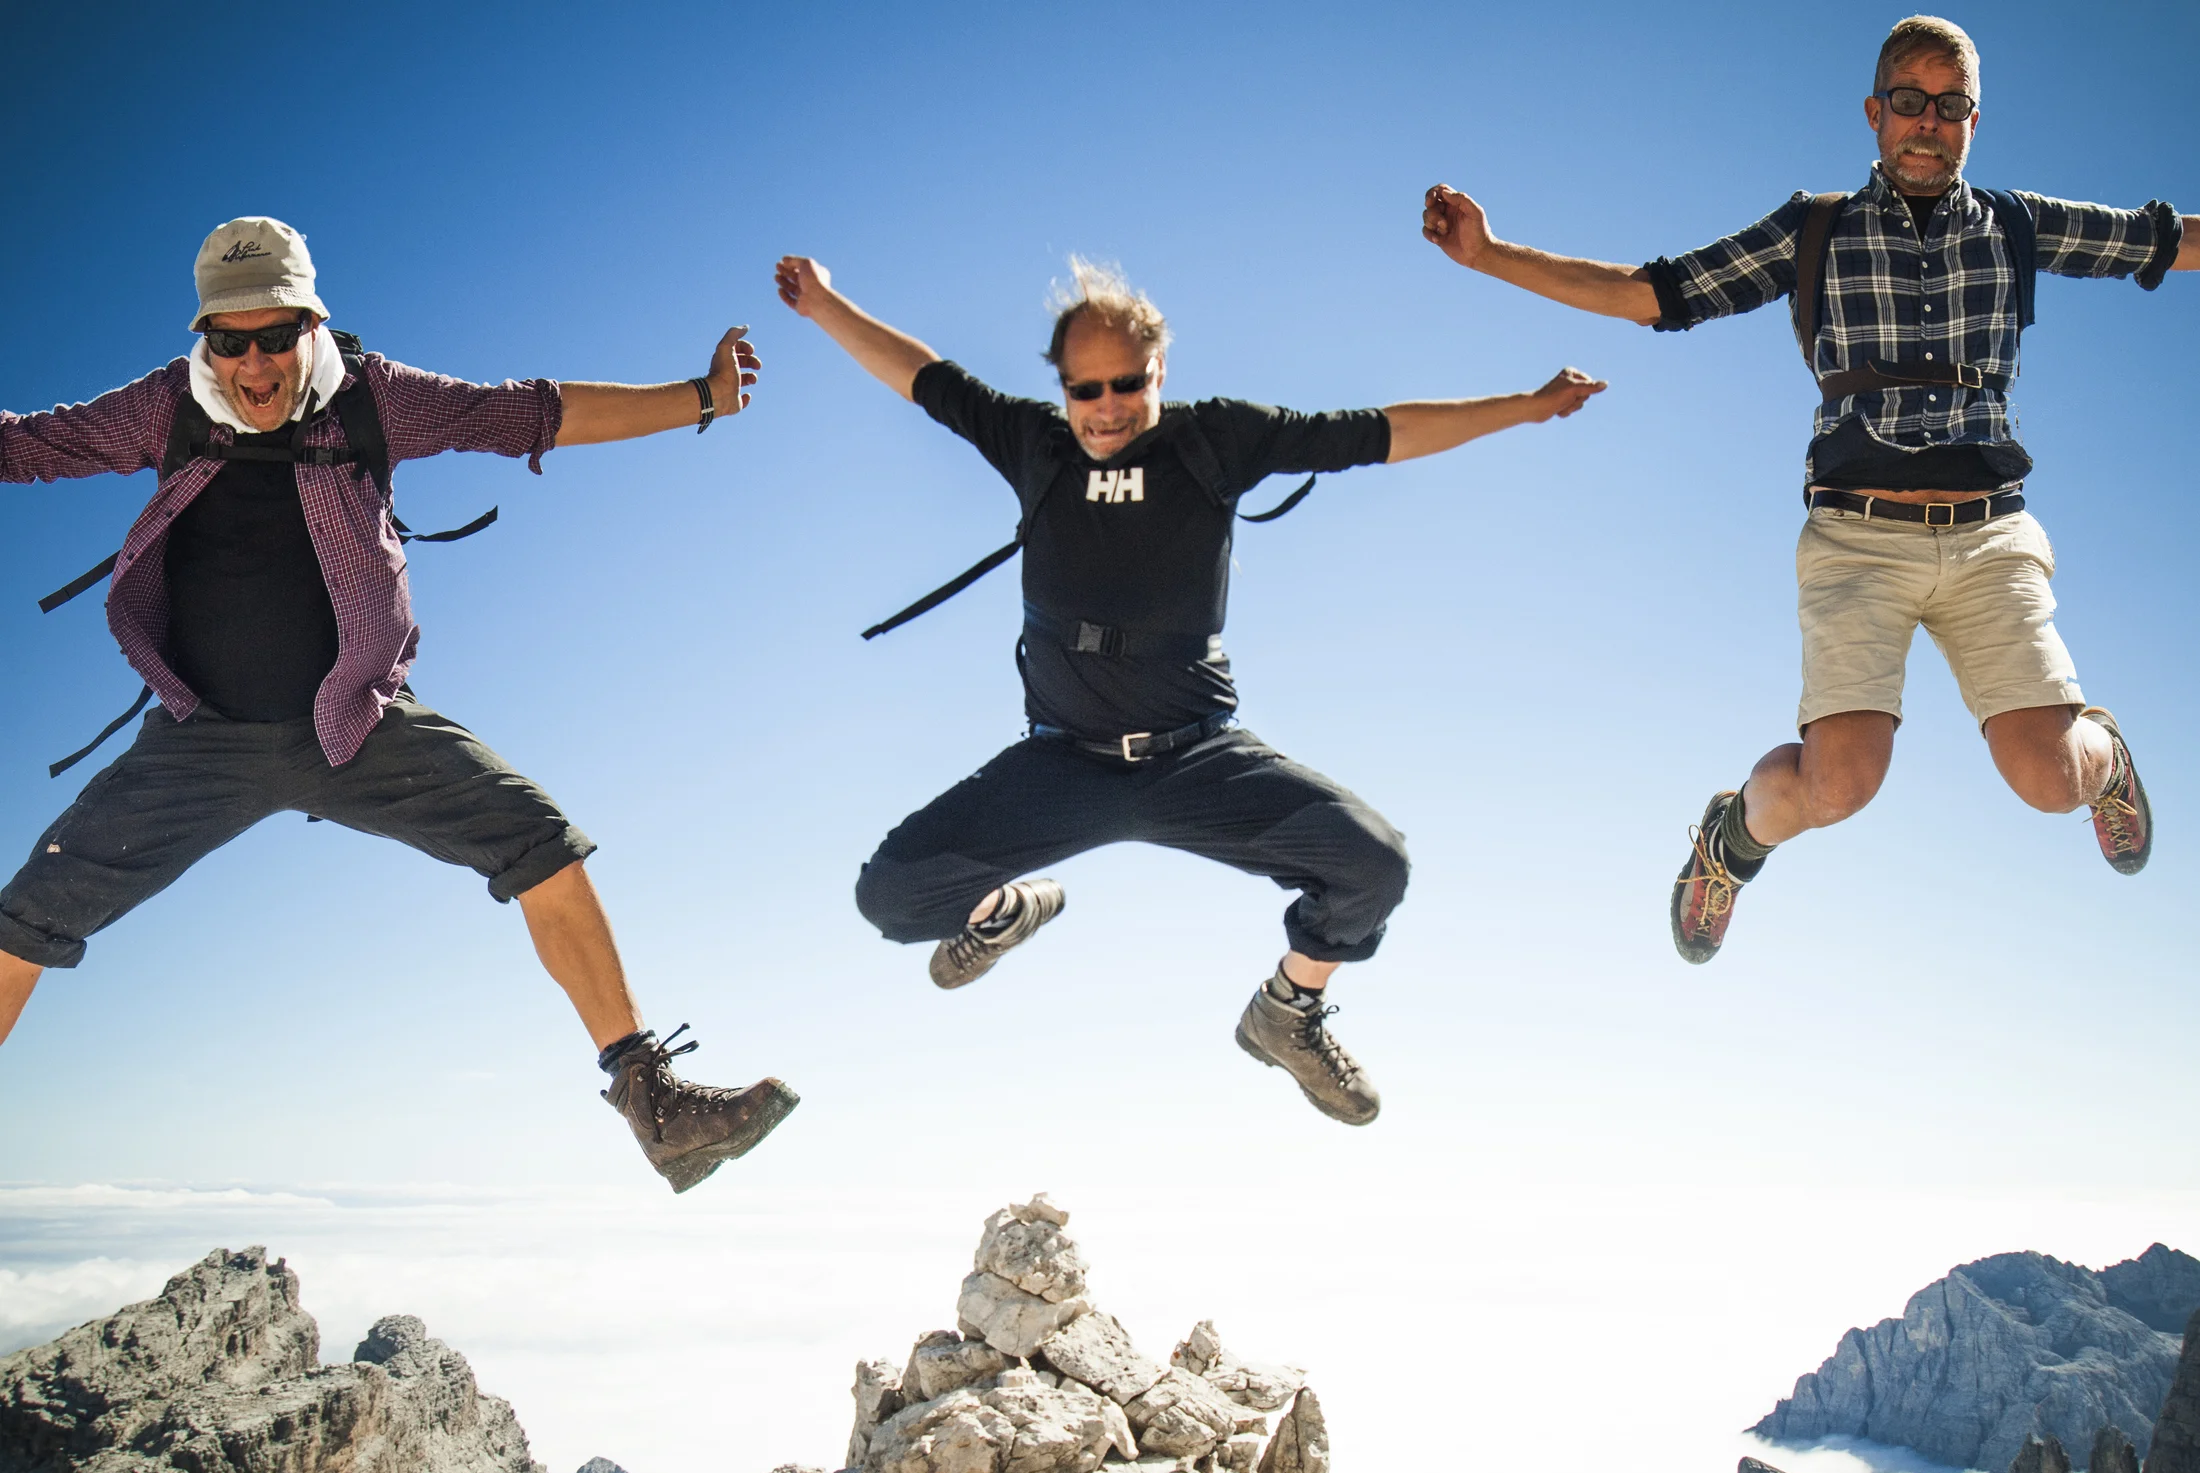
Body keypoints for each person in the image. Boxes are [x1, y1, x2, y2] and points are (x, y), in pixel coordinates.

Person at [0, 216, 797, 1192]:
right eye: (229, 341)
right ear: (204, 337)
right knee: (27, 915)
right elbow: (26, 446)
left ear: (311, 326)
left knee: (539, 841)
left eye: (275, 336)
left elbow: (525, 416)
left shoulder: (372, 399)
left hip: (357, 724)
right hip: (201, 742)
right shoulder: (167, 407)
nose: (253, 364)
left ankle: (657, 1107)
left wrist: (702, 398)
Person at [1422, 14, 2196, 964]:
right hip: (1857, 540)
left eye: (1949, 106)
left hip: (1991, 538)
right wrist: (1490, 254)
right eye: (1909, 101)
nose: (1927, 121)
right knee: (1840, 786)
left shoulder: (2015, 225)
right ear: (1875, 113)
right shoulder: (1815, 230)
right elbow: (1649, 293)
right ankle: (1729, 842)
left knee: (2050, 781)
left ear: (1973, 121)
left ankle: (2105, 760)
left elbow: (2164, 241)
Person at [775, 252, 1603, 1122]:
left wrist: (1526, 405)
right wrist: (825, 304)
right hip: (1062, 767)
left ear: (1158, 370)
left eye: (1126, 384)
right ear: (1061, 385)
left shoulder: (1217, 440)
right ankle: (1004, 912)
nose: (1106, 408)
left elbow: (1379, 432)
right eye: (1085, 389)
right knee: (891, 896)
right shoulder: (1031, 442)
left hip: (1198, 760)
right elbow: (923, 377)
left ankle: (1287, 1011)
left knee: (1373, 865)